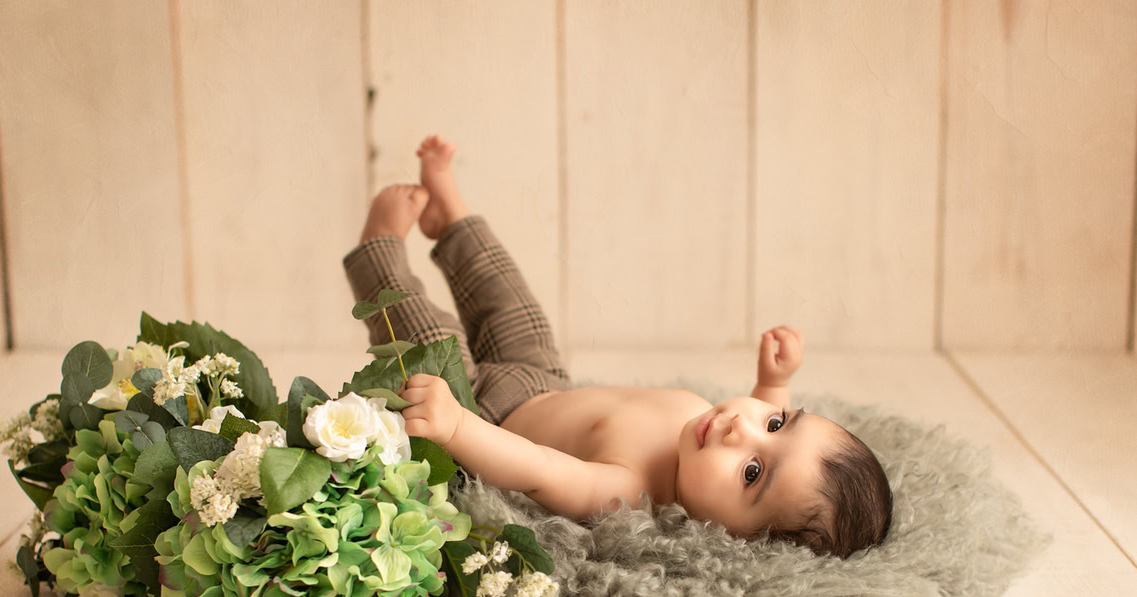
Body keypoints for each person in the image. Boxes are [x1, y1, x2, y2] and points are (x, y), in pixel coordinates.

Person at [343, 135, 892, 559]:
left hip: (485, 410)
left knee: (421, 333)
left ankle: (379, 249)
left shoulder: (629, 492)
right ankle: (454, 222)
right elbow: (763, 433)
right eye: (776, 423)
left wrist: (457, 426)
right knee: (508, 300)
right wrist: (774, 382)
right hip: (545, 380)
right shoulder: (716, 435)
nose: (740, 429)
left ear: (729, 538)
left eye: (751, 473)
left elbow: (539, 469)